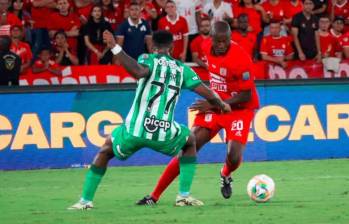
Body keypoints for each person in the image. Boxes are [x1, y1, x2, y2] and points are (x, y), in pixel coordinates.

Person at [68, 29, 231, 210]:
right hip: (164, 130)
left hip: (135, 129)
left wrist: (115, 48)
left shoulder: (147, 58)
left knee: (105, 152)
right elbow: (206, 91)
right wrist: (222, 105)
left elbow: (139, 72)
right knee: (190, 141)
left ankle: (85, 201)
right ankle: (183, 196)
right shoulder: (183, 69)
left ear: (152, 45)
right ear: (172, 46)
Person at [137, 21, 260, 205]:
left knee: (233, 157)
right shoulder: (204, 46)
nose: (220, 45)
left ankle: (225, 173)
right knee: (188, 146)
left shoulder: (241, 59)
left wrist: (214, 104)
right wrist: (214, 103)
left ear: (230, 39)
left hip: (238, 109)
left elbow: (246, 95)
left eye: (224, 41)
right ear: (210, 38)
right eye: (217, 41)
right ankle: (154, 196)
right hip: (215, 104)